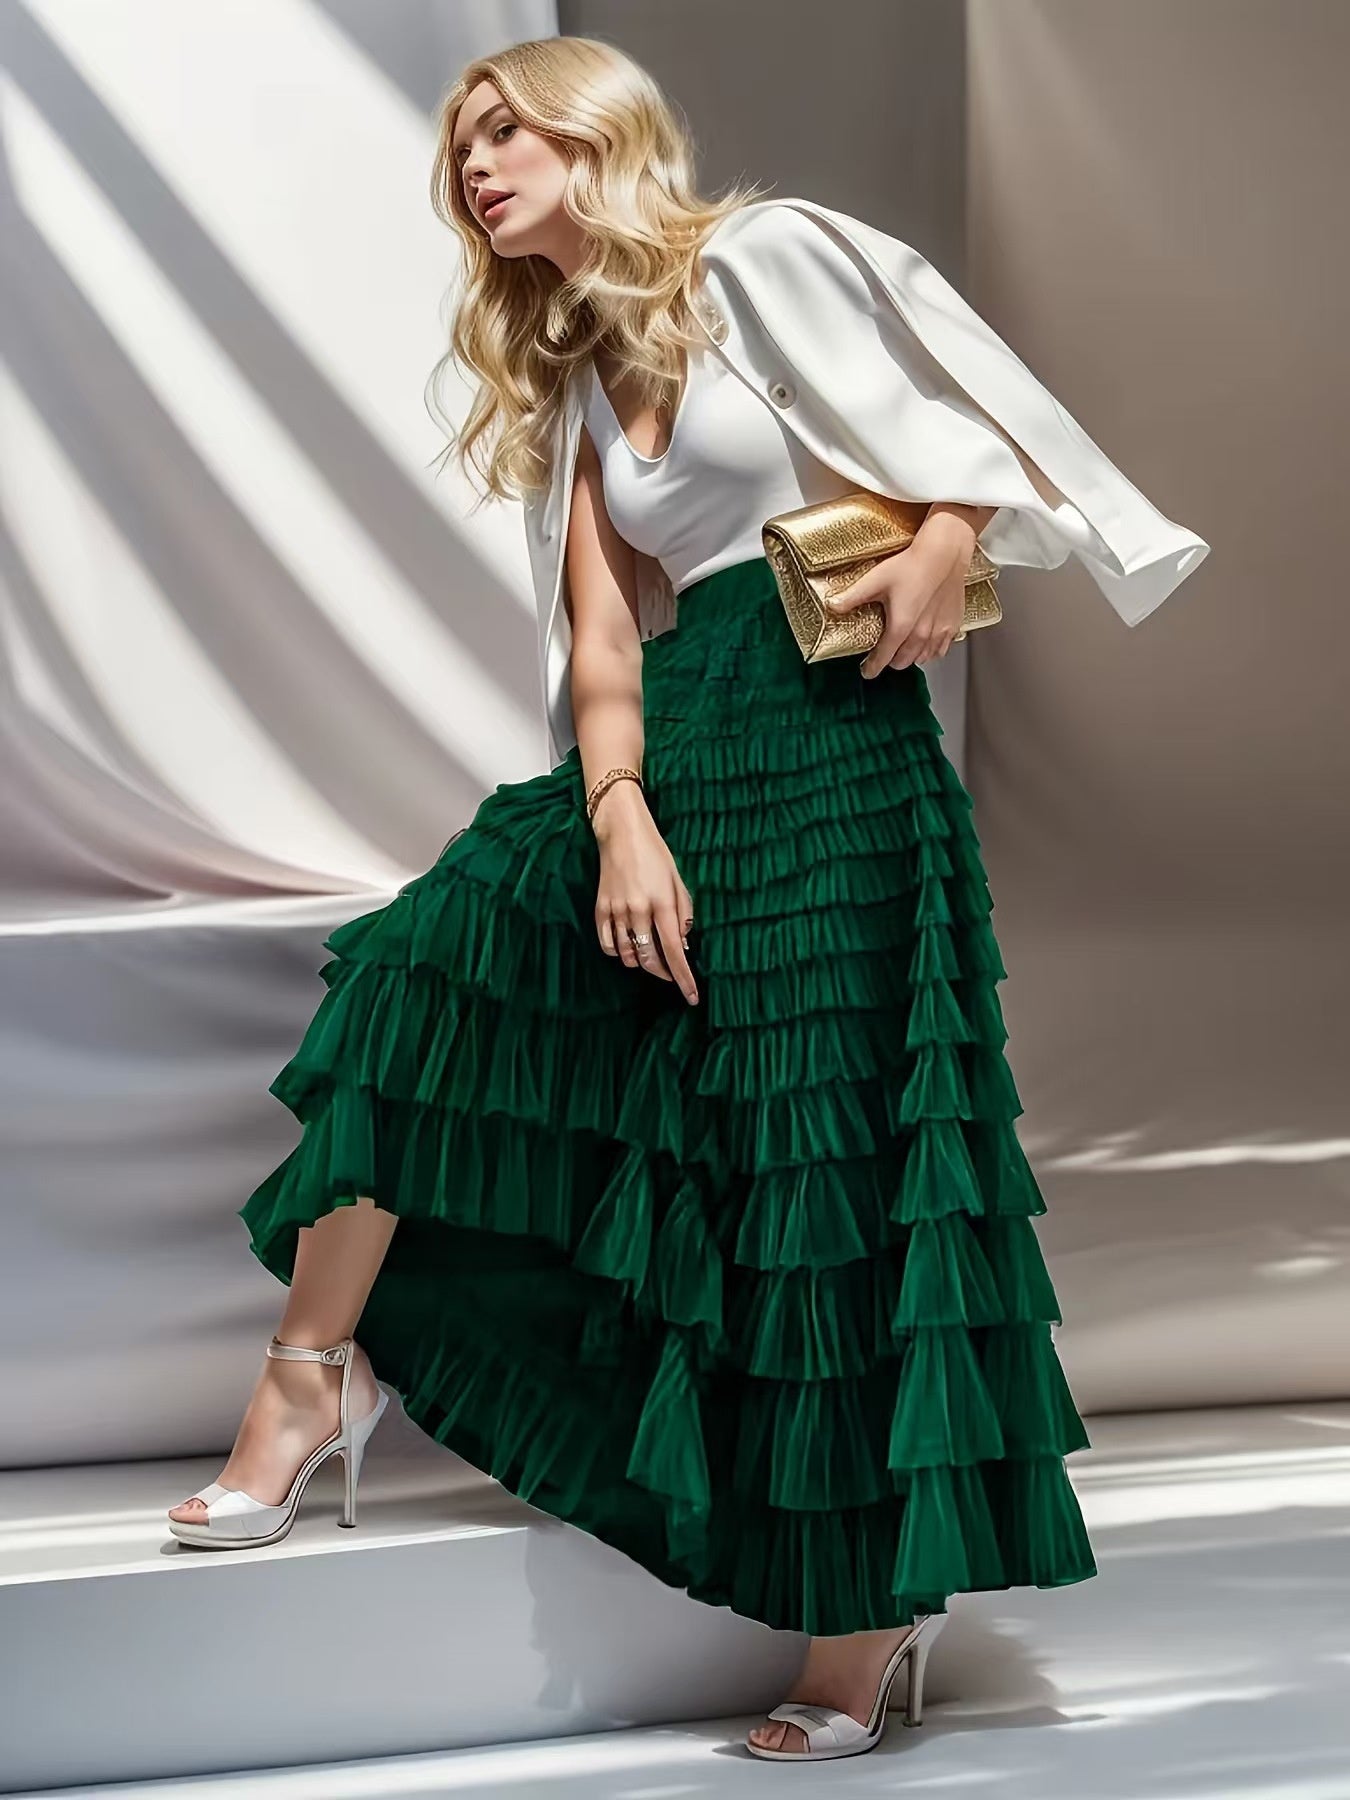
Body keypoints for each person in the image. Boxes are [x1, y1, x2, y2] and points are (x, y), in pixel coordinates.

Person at [166, 35, 1208, 1764]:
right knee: (424, 970)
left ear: (596, 134)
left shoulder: (763, 257)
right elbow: (595, 644)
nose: (477, 165)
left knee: (826, 1168)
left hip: (838, 770)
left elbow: (972, 422)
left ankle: (859, 1633)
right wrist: (622, 818)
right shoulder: (577, 380)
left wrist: (949, 531)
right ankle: (304, 1380)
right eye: (461, 145)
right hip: (682, 760)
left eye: (507, 129)